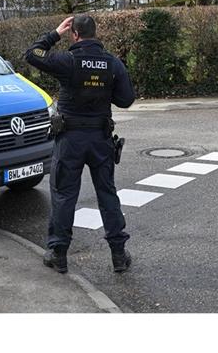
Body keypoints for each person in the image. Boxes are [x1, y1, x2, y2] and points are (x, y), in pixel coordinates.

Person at [25, 15, 136, 274]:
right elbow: (126, 99)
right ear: (95, 33)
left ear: (74, 34)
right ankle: (119, 255)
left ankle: (58, 254)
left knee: (64, 195)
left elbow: (32, 54)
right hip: (100, 139)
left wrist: (55, 33)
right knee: (107, 194)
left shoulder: (68, 60)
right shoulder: (112, 63)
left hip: (70, 140)